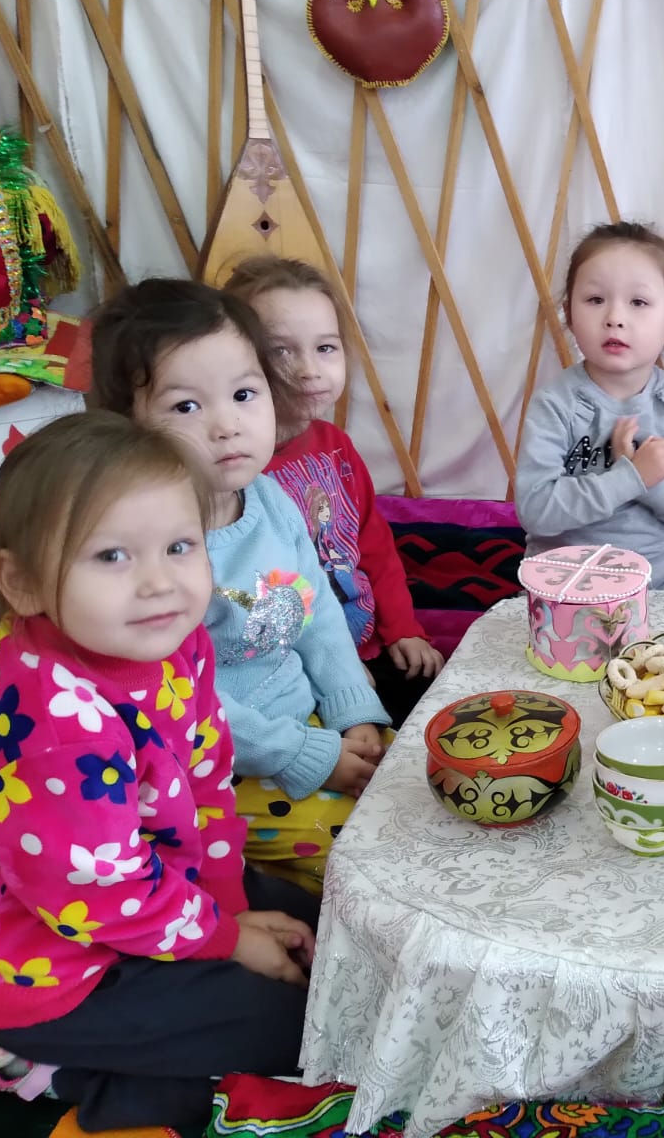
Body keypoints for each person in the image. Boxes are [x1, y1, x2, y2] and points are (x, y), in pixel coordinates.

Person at [0, 412, 318, 1131]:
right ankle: (50, 1072)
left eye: (179, 546)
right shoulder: (54, 729)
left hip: (143, 889)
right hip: (49, 973)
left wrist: (228, 904)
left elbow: (207, 781)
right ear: (22, 582)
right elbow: (102, 894)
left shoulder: (178, 644)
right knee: (298, 1030)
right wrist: (229, 941)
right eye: (111, 556)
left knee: (321, 933)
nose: (160, 583)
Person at [89, 278, 391, 894]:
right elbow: (178, 699)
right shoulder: (155, 554)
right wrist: (304, 754)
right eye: (186, 407)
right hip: (222, 766)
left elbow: (317, 617)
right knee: (359, 868)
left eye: (244, 394)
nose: (227, 425)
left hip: (308, 723)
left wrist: (352, 711)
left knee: (416, 790)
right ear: (125, 426)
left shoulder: (271, 500)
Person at [224, 256, 444, 726]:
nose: (310, 369)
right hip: (293, 670)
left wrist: (403, 629)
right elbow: (243, 604)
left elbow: (374, 546)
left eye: (326, 347)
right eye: (281, 351)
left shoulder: (335, 447)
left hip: (372, 645)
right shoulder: (235, 472)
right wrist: (337, 675)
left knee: (449, 715)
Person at [515, 221, 664, 589]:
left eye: (638, 302)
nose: (614, 318)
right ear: (569, 314)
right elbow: (537, 510)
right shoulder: (556, 404)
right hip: (568, 584)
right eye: (595, 300)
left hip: (660, 580)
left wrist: (651, 483)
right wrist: (631, 477)